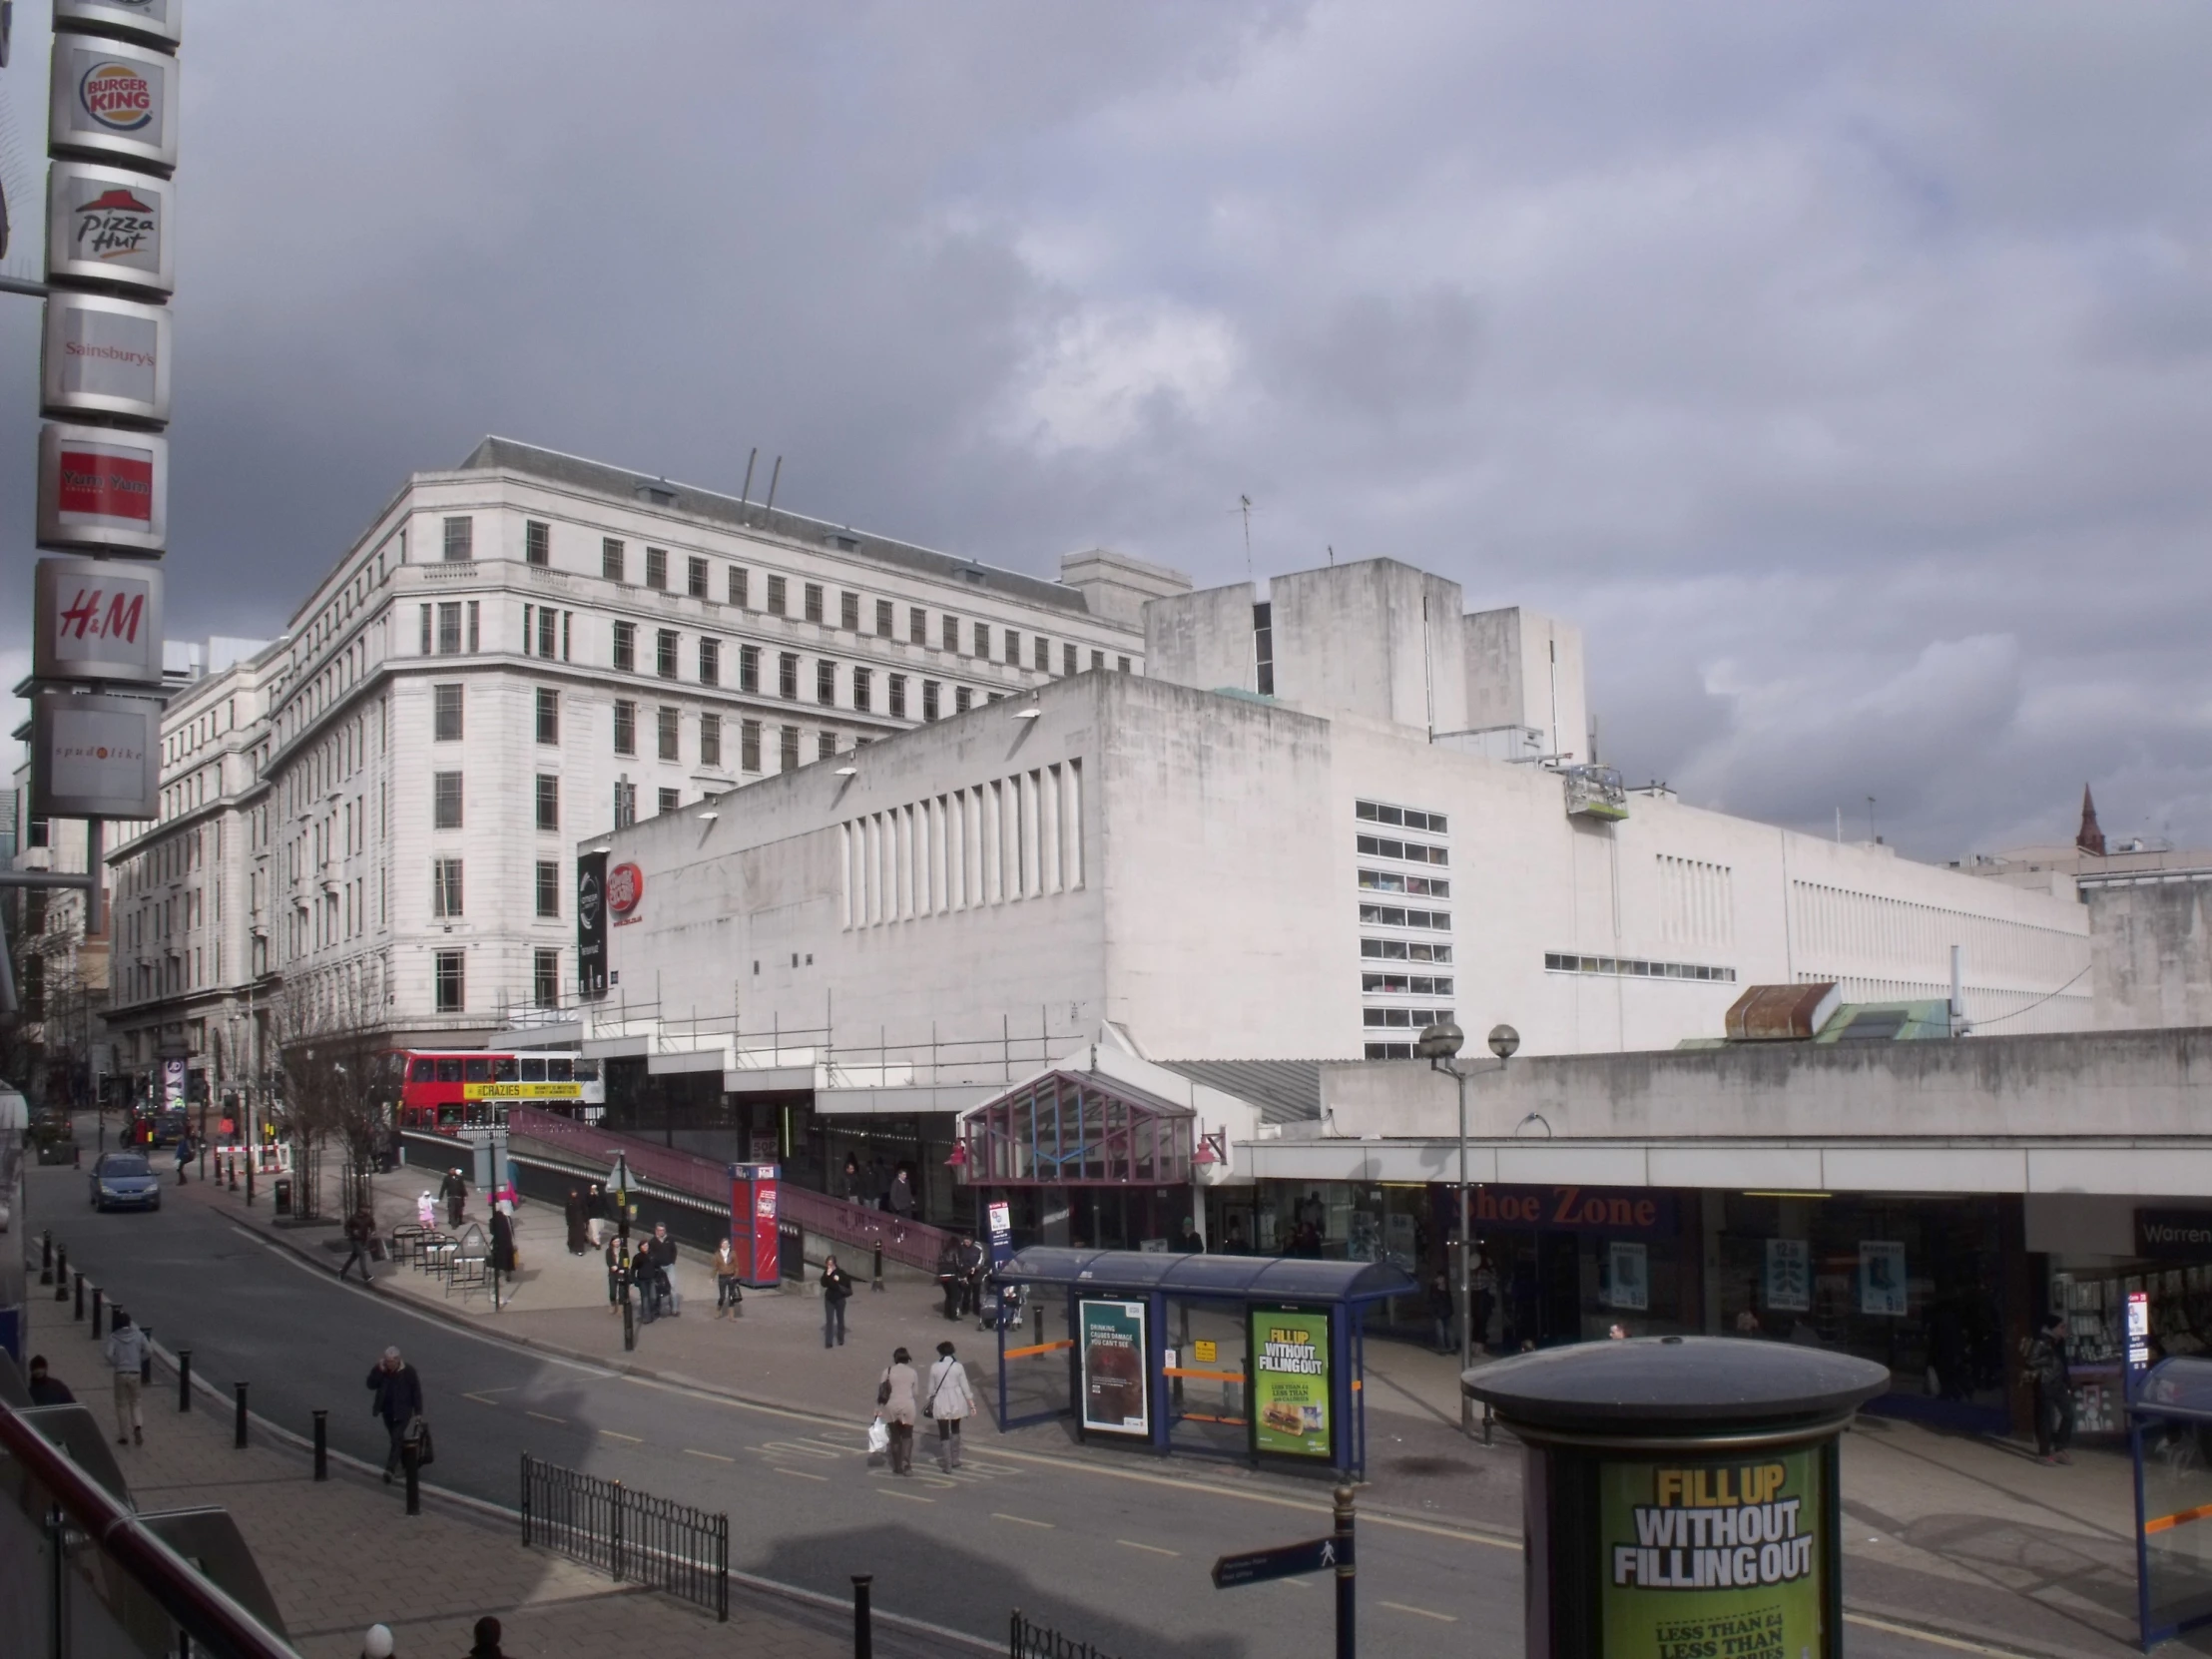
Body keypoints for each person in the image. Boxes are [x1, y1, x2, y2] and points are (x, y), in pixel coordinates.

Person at [365, 1346, 423, 1484]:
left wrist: (418, 1412)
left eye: (391, 1361)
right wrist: (379, 1370)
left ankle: (390, 1470)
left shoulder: (408, 1371)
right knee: (397, 1439)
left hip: (403, 1411)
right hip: (387, 1411)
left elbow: (416, 1391)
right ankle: (408, 1465)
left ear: (398, 1360)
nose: (389, 1364)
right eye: (387, 1361)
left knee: (396, 1439)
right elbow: (371, 1384)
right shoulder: (381, 1369)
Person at [2026, 1313, 2075, 1465]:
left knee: (2069, 1414)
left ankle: (2060, 1448)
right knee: (2046, 1419)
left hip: (2059, 1383)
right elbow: (2031, 1361)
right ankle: (2044, 1453)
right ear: (2052, 1328)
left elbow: (2063, 1364)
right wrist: (2049, 1358)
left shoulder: (2059, 1342)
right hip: (2045, 1383)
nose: (2064, 1329)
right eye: (2061, 1326)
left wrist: (2068, 1382)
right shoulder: (2041, 1342)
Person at [925, 1340, 978, 1471]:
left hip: (941, 1399)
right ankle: (955, 1459)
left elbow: (931, 1389)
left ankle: (947, 1464)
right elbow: (965, 1386)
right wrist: (972, 1405)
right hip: (957, 1399)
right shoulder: (958, 1366)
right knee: (956, 1429)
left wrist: (930, 1400)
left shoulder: (935, 1367)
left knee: (943, 1432)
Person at [106, 1311, 147, 1446]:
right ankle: (137, 1426)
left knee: (121, 1404)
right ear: (129, 1323)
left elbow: (108, 1354)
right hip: (135, 1372)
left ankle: (124, 1435)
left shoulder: (114, 1337)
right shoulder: (139, 1335)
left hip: (120, 1373)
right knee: (135, 1402)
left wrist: (116, 1363)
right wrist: (139, 1360)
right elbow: (149, 1350)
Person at [878, 1346, 919, 1475]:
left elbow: (882, 1390)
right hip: (908, 1405)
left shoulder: (888, 1371)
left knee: (895, 1437)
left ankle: (897, 1466)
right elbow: (916, 1392)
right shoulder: (912, 1372)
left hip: (892, 1405)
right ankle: (907, 1464)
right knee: (907, 1436)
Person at [822, 1253, 853, 1348]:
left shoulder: (841, 1273)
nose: (828, 1266)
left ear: (834, 1264)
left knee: (840, 1319)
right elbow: (823, 1283)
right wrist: (827, 1275)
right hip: (829, 1299)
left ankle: (840, 1338)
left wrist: (837, 1280)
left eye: (830, 1264)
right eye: (827, 1264)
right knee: (829, 1320)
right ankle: (828, 1342)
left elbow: (846, 1282)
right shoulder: (826, 1273)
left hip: (839, 1299)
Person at [339, 1206, 377, 1283]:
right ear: (361, 1209)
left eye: (368, 1209)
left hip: (363, 1240)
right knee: (362, 1255)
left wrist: (373, 1231)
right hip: (355, 1240)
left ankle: (342, 1271)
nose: (367, 1210)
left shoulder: (368, 1217)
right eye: (366, 1208)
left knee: (353, 1257)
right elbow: (346, 1227)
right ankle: (365, 1276)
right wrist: (353, 1231)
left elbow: (372, 1225)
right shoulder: (353, 1218)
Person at [1427, 1268, 1455, 1355]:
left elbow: (1432, 1301)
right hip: (1445, 1312)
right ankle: (1451, 1347)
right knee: (1447, 1330)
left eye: (1441, 1278)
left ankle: (1444, 1348)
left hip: (1439, 1312)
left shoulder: (1435, 1289)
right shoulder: (1445, 1289)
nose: (1440, 1279)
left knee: (1442, 1330)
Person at [715, 1236, 743, 1317]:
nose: (725, 1245)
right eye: (723, 1243)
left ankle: (731, 1315)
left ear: (729, 1245)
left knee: (731, 1296)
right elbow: (715, 1267)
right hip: (722, 1277)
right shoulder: (717, 1254)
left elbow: (736, 1266)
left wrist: (735, 1275)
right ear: (721, 1245)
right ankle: (718, 1309)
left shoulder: (733, 1253)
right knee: (722, 1296)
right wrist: (712, 1277)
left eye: (726, 1244)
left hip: (731, 1276)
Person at [935, 1240, 963, 1321]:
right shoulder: (955, 1250)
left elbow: (938, 1263)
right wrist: (962, 1272)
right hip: (951, 1274)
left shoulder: (943, 1251)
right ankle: (953, 1316)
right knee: (954, 1295)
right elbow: (957, 1264)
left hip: (942, 1275)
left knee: (948, 1295)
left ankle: (946, 1314)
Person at [490, 1202, 517, 1276]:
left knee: (497, 1256)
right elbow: (511, 1230)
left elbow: (492, 1231)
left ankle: (497, 1271)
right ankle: (508, 1273)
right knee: (508, 1257)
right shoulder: (507, 1218)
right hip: (508, 1242)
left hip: (498, 1242)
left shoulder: (493, 1219)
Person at [604, 1233, 627, 1316]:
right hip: (613, 1273)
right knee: (612, 1291)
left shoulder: (624, 1250)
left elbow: (626, 1261)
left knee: (621, 1291)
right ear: (612, 1242)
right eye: (615, 1241)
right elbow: (608, 1261)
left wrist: (623, 1269)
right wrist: (612, 1266)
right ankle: (613, 1304)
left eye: (618, 1241)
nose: (617, 1243)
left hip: (621, 1273)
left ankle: (621, 1307)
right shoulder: (609, 1251)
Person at [564, 1190, 588, 1256]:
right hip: (572, 1221)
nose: (574, 1194)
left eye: (575, 1192)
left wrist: (585, 1219)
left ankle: (579, 1249)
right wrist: (568, 1221)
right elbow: (567, 1212)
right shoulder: (569, 1201)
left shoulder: (580, 1200)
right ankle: (571, 1247)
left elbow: (584, 1209)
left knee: (580, 1235)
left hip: (579, 1219)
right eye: (573, 1193)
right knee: (572, 1235)